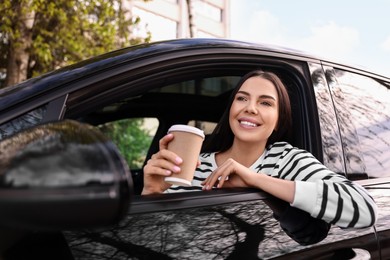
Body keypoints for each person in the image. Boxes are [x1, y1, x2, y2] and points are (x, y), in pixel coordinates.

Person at [142, 70, 377, 229]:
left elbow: (364, 209)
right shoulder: (194, 164)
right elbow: (163, 234)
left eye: (265, 103)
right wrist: (151, 192)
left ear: (278, 120)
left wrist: (256, 180)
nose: (250, 108)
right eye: (242, 98)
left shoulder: (287, 160)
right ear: (232, 109)